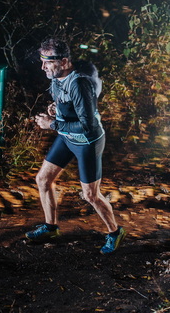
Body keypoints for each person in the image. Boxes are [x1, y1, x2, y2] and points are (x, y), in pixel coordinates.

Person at [25, 37, 126, 254]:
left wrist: (52, 124)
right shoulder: (56, 77)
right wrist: (56, 108)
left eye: (48, 62)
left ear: (63, 61)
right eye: (42, 61)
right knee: (43, 179)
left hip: (87, 142)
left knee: (90, 195)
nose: (43, 67)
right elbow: (65, 100)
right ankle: (50, 228)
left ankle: (115, 232)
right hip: (66, 137)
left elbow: (88, 127)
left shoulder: (79, 83)